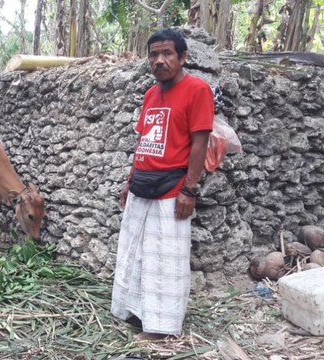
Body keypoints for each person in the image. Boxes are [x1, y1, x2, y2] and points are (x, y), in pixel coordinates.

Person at [110, 28, 214, 341]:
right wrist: (130, 181)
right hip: (143, 185)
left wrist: (189, 189)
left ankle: (161, 328)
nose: (160, 60)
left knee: (165, 261)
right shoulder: (151, 94)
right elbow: (144, 140)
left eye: (167, 53)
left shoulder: (197, 90)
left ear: (182, 57)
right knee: (136, 253)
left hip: (172, 190)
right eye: (154, 54)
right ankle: (135, 311)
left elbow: (200, 143)